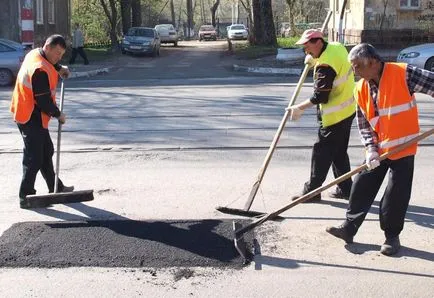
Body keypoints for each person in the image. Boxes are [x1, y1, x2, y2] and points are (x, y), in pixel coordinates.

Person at [326, 43, 434, 256]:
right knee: (361, 185)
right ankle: (349, 228)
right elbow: (364, 123)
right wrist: (370, 150)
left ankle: (391, 237)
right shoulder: (360, 88)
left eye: (357, 66)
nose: (354, 72)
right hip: (379, 149)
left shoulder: (403, 73)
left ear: (373, 62)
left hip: (404, 147)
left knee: (395, 195)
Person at [287, 29, 356, 202]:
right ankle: (347, 188)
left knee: (321, 153)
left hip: (335, 116)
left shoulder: (324, 66)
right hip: (348, 110)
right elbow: (334, 61)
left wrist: (299, 108)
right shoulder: (337, 46)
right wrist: (314, 59)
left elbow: (320, 97)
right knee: (339, 152)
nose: (306, 51)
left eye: (308, 46)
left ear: (318, 42)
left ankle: (312, 191)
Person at [10, 34, 74, 209]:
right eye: (57, 54)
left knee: (46, 150)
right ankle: (26, 196)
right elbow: (44, 100)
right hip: (29, 115)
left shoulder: (36, 54)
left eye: (61, 54)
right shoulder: (39, 69)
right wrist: (59, 114)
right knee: (34, 157)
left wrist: (59, 67)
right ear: (47, 47)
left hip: (32, 113)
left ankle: (56, 187)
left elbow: (49, 62)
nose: (58, 57)